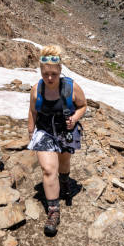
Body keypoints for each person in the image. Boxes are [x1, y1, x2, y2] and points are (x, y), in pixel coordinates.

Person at [27, 45, 87, 236]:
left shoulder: (71, 87)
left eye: (53, 73)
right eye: (46, 74)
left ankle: (64, 180)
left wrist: (75, 118)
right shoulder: (36, 90)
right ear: (41, 71)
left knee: (64, 161)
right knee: (48, 169)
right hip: (44, 132)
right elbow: (32, 111)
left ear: (60, 70)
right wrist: (31, 132)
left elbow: (83, 105)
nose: (50, 78)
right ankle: (53, 211)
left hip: (65, 131)